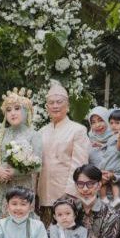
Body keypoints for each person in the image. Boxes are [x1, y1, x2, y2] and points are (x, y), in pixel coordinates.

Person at [37, 82, 90, 225]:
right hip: (43, 194)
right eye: (51, 103)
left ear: (68, 106)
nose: (55, 106)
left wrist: (70, 193)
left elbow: (79, 165)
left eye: (59, 102)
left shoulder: (78, 130)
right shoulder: (41, 132)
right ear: (47, 107)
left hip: (67, 195)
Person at [0, 87, 42, 219]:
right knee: (0, 222)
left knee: (21, 222)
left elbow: (38, 166)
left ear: (26, 111)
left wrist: (15, 172)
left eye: (17, 108)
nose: (12, 113)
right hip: (1, 187)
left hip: (23, 188)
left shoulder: (34, 135)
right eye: (8, 110)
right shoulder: (0, 134)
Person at [85, 106, 113, 199]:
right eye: (93, 122)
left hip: (119, 194)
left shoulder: (119, 140)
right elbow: (84, 170)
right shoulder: (88, 144)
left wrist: (114, 175)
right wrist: (97, 175)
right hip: (97, 195)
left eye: (101, 120)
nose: (97, 125)